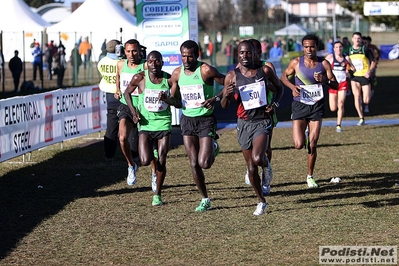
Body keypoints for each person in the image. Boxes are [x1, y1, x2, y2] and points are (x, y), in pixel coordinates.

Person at [220, 40, 283, 216]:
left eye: (248, 53)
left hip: (262, 121)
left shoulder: (265, 71)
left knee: (257, 157)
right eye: (241, 53)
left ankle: (266, 165)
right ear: (237, 55)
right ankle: (261, 200)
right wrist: (225, 94)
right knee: (251, 168)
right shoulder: (232, 76)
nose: (245, 56)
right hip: (244, 123)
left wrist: (274, 104)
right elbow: (224, 105)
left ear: (255, 54)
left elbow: (279, 88)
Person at [167, 40, 225, 212]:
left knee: (204, 163)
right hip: (187, 120)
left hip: (206, 120)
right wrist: (166, 100)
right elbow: (177, 102)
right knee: (193, 163)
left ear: (197, 54)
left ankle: (213, 144)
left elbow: (228, 83)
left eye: (189, 56)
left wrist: (215, 99)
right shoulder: (177, 73)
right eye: (183, 56)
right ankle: (205, 199)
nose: (186, 59)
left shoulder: (205, 70)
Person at [280, 34, 338, 188]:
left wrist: (324, 80)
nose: (309, 49)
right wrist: (292, 87)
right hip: (299, 105)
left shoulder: (324, 64)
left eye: (311, 46)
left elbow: (336, 85)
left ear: (316, 47)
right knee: (298, 144)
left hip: (317, 106)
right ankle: (304, 137)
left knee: (312, 144)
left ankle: (310, 176)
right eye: (306, 46)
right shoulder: (296, 63)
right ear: (303, 47)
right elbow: (283, 76)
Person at [124, 50, 179, 206]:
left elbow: (178, 103)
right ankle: (152, 153)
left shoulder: (169, 79)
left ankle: (158, 195)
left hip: (163, 123)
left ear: (162, 62)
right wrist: (134, 112)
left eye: (157, 61)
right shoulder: (140, 78)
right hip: (146, 124)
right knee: (145, 160)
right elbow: (126, 93)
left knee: (162, 160)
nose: (153, 64)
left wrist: (167, 99)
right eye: (150, 61)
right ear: (146, 63)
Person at [241, 39, 284, 195]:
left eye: (253, 51)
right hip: (247, 115)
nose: (248, 55)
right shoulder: (241, 67)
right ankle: (250, 169)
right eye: (244, 52)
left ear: (257, 52)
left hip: (266, 111)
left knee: (265, 147)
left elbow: (276, 86)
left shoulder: (267, 67)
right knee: (250, 148)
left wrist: (264, 86)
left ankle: (266, 173)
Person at [115, 39, 146, 186]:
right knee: (122, 138)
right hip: (125, 105)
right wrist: (117, 89)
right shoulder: (121, 64)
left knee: (149, 145)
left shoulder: (145, 65)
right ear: (124, 52)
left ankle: (154, 174)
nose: (131, 54)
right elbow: (118, 76)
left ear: (139, 50)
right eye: (128, 51)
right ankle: (130, 165)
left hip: (143, 106)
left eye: (134, 51)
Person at [97, 39, 124, 161]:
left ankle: (109, 154)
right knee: (129, 124)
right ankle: (133, 153)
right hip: (122, 94)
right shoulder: (121, 62)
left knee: (111, 125)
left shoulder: (102, 61)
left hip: (109, 93)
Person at [325, 41, 355, 133]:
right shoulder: (330, 58)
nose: (339, 49)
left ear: (342, 48)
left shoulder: (346, 58)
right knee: (333, 108)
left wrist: (349, 72)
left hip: (343, 83)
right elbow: (322, 67)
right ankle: (338, 119)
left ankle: (338, 125)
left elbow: (353, 69)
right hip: (333, 84)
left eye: (340, 47)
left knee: (341, 103)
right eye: (337, 47)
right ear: (334, 49)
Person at [348, 32, 376, 124]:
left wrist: (370, 71)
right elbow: (346, 62)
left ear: (361, 40)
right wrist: (347, 68)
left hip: (364, 76)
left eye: (358, 38)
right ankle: (361, 117)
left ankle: (367, 96)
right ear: (352, 39)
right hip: (354, 77)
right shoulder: (349, 50)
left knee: (366, 100)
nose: (357, 40)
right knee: (356, 97)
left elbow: (373, 61)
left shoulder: (366, 50)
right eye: (355, 38)